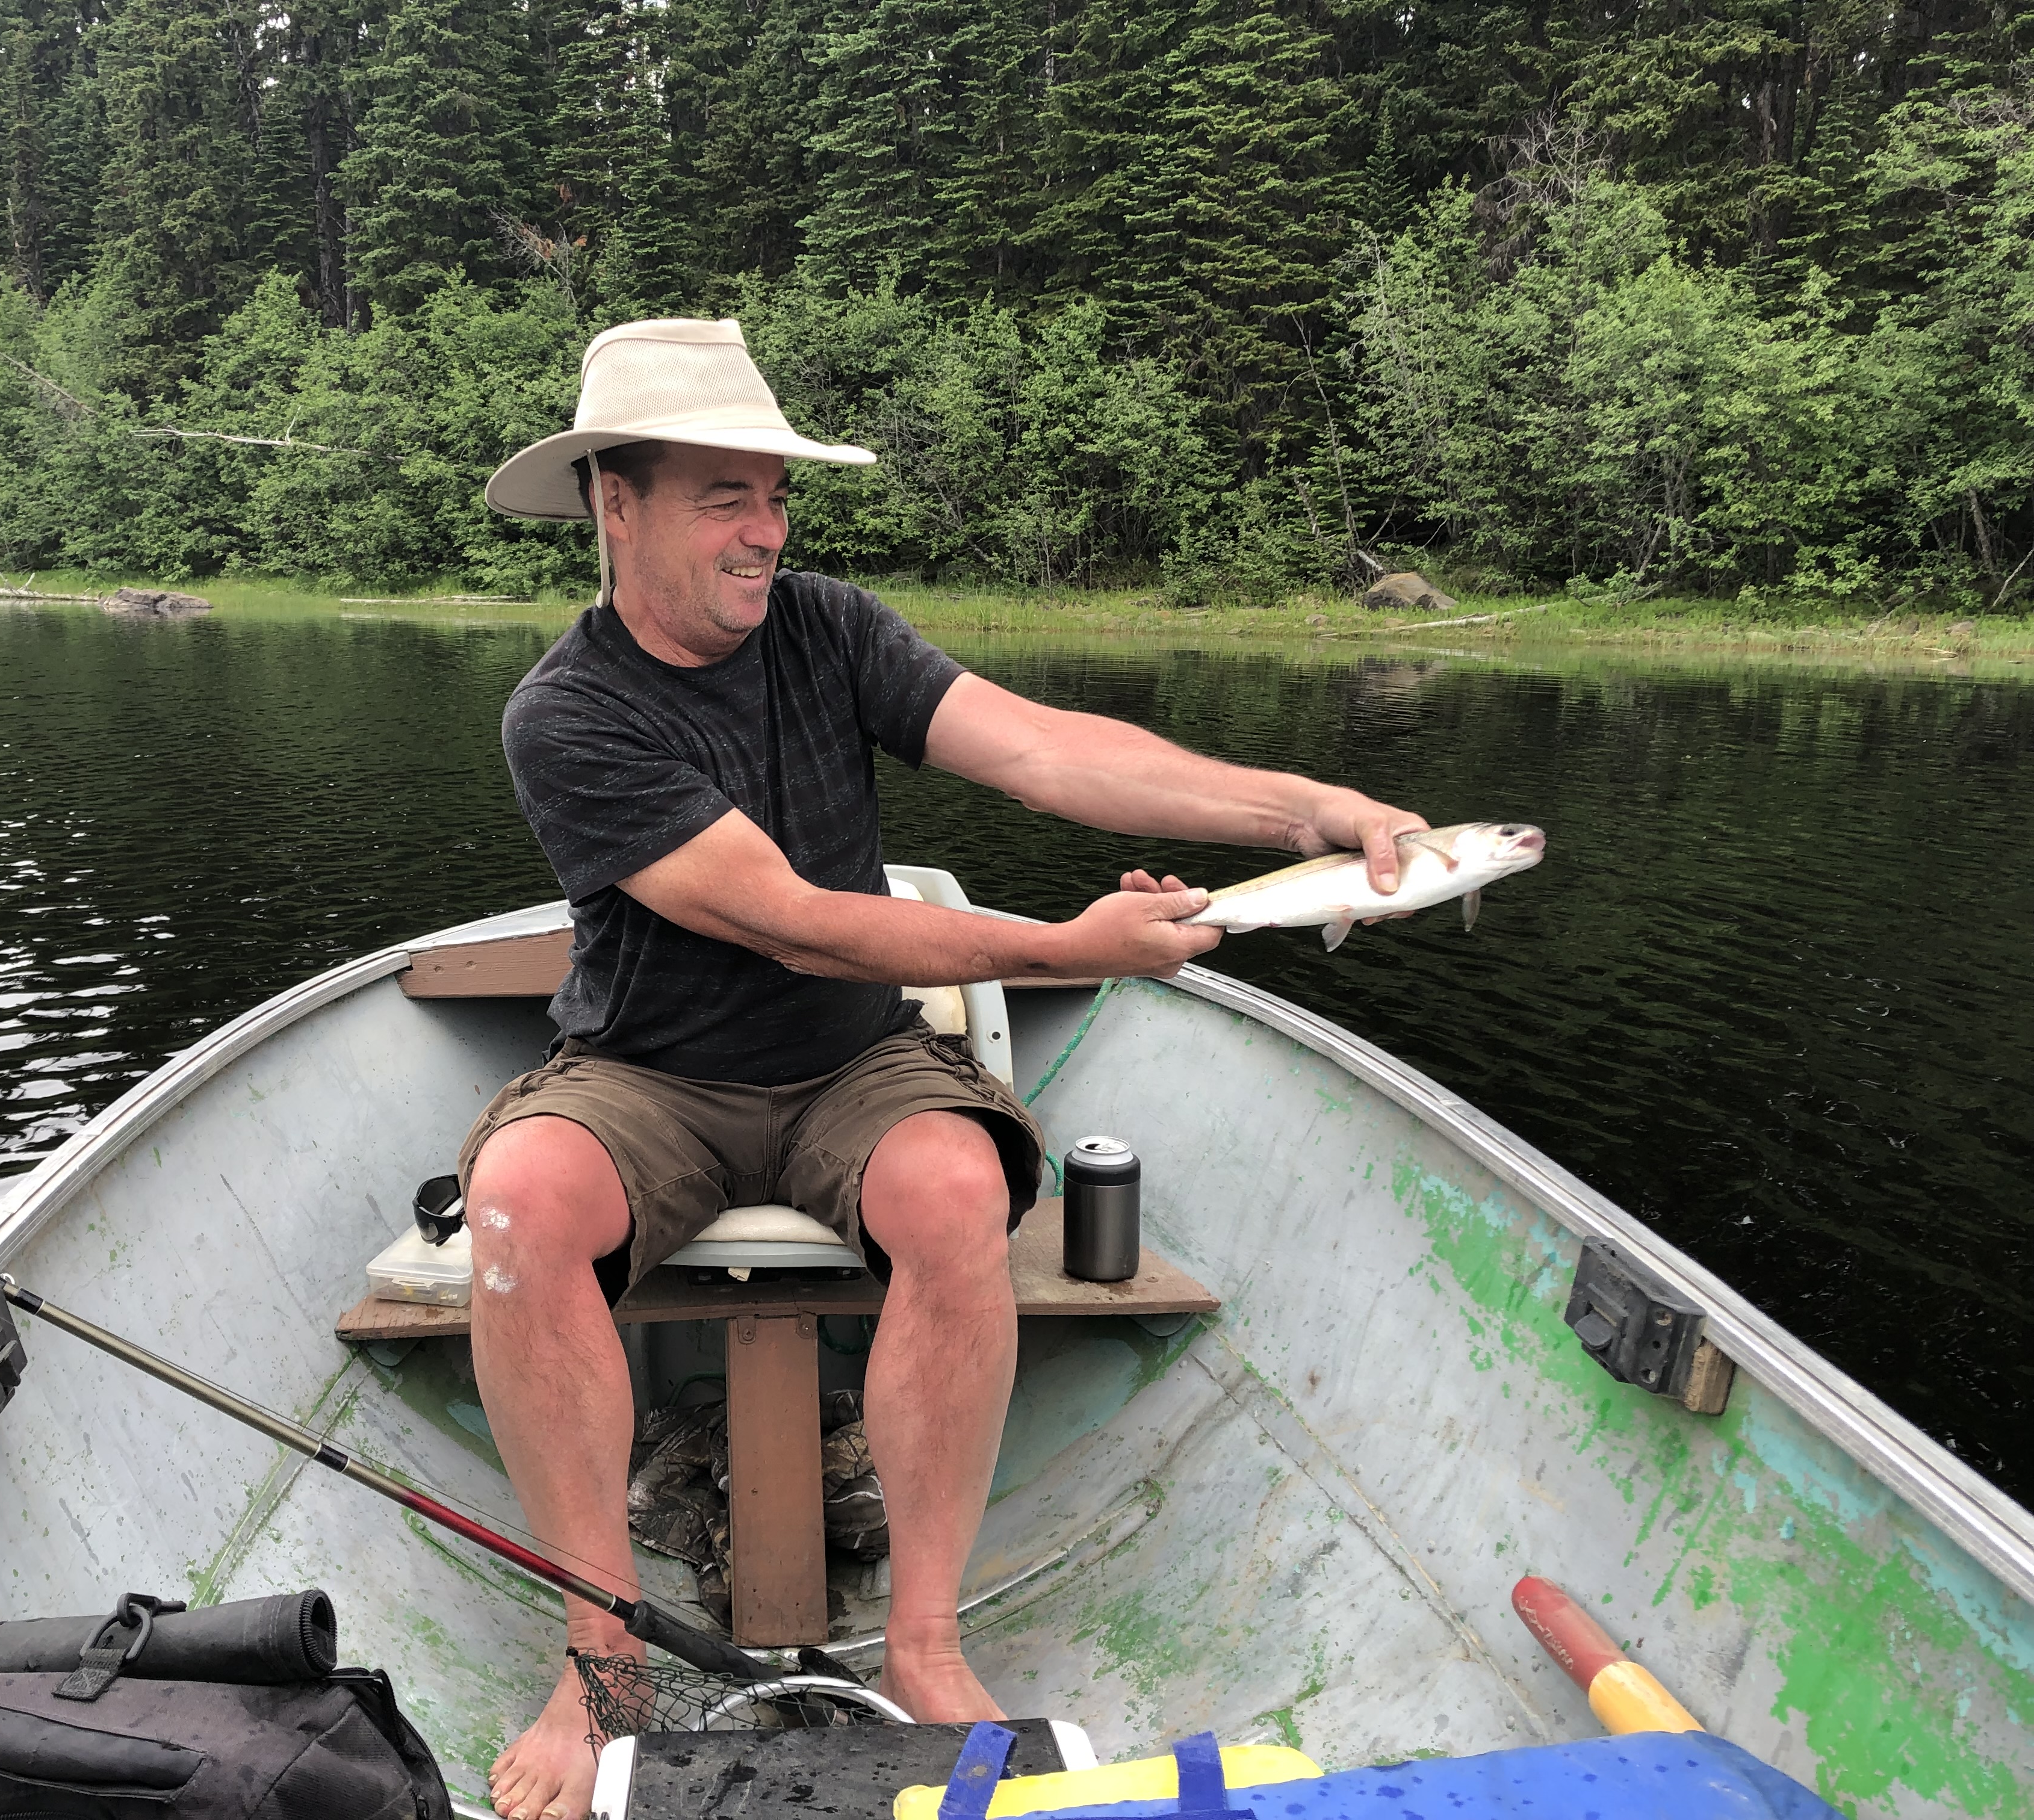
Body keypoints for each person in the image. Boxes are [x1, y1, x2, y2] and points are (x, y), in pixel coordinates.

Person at [463, 319, 1425, 1820]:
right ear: (616, 504)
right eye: (727, 495)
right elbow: (791, 922)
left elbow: (1044, 753)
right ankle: (604, 1664)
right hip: (647, 1072)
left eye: (776, 494)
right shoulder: (567, 715)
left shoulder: (832, 627)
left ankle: (923, 1640)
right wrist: (1074, 948)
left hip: (854, 1063)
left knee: (953, 1185)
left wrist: (1303, 807)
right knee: (518, 1199)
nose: (768, 528)